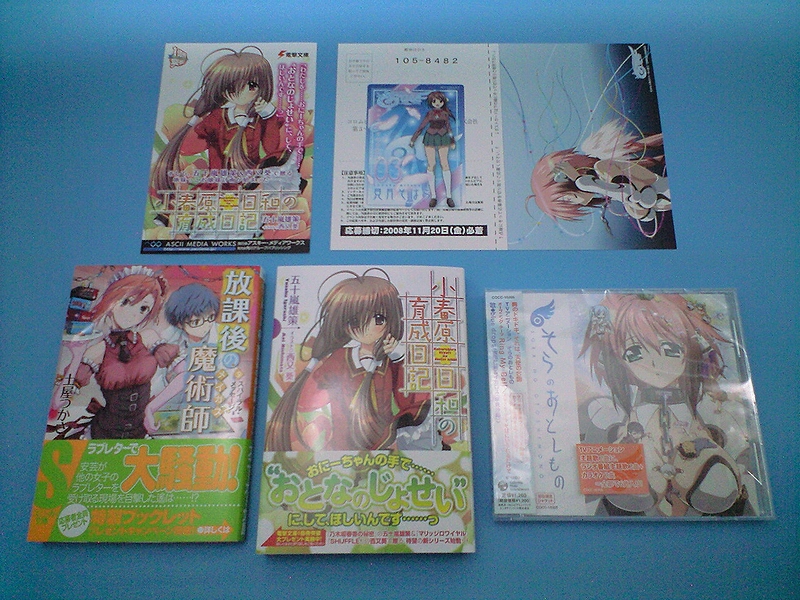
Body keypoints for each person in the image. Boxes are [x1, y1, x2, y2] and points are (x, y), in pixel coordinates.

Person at [580, 293, 747, 516]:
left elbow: (736, 442)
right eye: (634, 352)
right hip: (637, 488)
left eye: (671, 350)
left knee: (708, 468)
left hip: (697, 478)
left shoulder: (705, 404)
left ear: (691, 350)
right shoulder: (612, 408)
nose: (654, 362)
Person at [265, 270, 430, 451]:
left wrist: (398, 357)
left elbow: (413, 401)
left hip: (385, 445)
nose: (367, 328)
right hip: (342, 449)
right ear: (343, 323)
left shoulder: (392, 362)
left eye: (379, 319)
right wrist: (319, 360)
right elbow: (307, 401)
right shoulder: (339, 359)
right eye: (355, 321)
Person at [74, 267, 178, 439]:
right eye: (125, 302)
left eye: (143, 308)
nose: (132, 314)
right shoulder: (99, 349)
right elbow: (69, 391)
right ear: (112, 301)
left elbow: (181, 370)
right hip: (105, 432)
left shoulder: (148, 338)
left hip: (142, 430)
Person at [529, 120, 670, 238]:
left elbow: (630, 192)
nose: (574, 202)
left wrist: (582, 182)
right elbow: (643, 206)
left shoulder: (603, 168)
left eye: (566, 199)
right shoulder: (610, 187)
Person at [144, 283, 220, 434]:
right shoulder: (171, 336)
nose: (206, 326)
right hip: (174, 407)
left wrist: (151, 407)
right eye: (196, 322)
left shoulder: (220, 337)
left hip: (208, 407)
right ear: (179, 324)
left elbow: (186, 374)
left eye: (210, 317)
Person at [410, 91, 456, 208]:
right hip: (430, 137)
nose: (437, 103)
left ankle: (449, 196)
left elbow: (448, 128)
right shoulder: (430, 114)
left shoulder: (445, 114)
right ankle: (433, 196)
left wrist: (452, 141)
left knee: (445, 164)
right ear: (431, 102)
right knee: (431, 165)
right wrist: (413, 139)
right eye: (434, 101)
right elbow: (421, 126)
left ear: (443, 102)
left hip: (443, 137)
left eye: (439, 101)